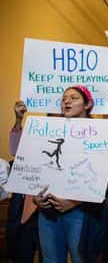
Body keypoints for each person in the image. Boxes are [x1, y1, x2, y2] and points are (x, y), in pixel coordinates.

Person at [32, 85, 108, 263]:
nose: (66, 101)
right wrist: (35, 198)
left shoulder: (101, 134)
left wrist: (74, 202)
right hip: (47, 211)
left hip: (82, 213)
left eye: (73, 97)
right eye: (63, 98)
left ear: (87, 104)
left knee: (81, 258)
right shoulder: (48, 132)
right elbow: (37, 169)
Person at [6, 100, 42, 263]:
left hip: (50, 214)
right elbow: (14, 150)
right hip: (25, 212)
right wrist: (19, 119)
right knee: (23, 255)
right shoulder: (22, 159)